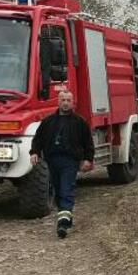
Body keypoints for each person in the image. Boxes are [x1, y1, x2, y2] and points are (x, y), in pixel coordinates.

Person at [29, 87, 95, 238]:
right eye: (63, 100)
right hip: (52, 160)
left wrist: (88, 159)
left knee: (67, 189)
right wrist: (34, 152)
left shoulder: (80, 122)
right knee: (58, 192)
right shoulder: (48, 122)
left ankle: (63, 225)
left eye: (68, 101)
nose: (65, 103)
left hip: (70, 161)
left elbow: (88, 143)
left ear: (73, 103)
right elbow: (37, 139)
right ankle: (65, 216)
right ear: (58, 102)